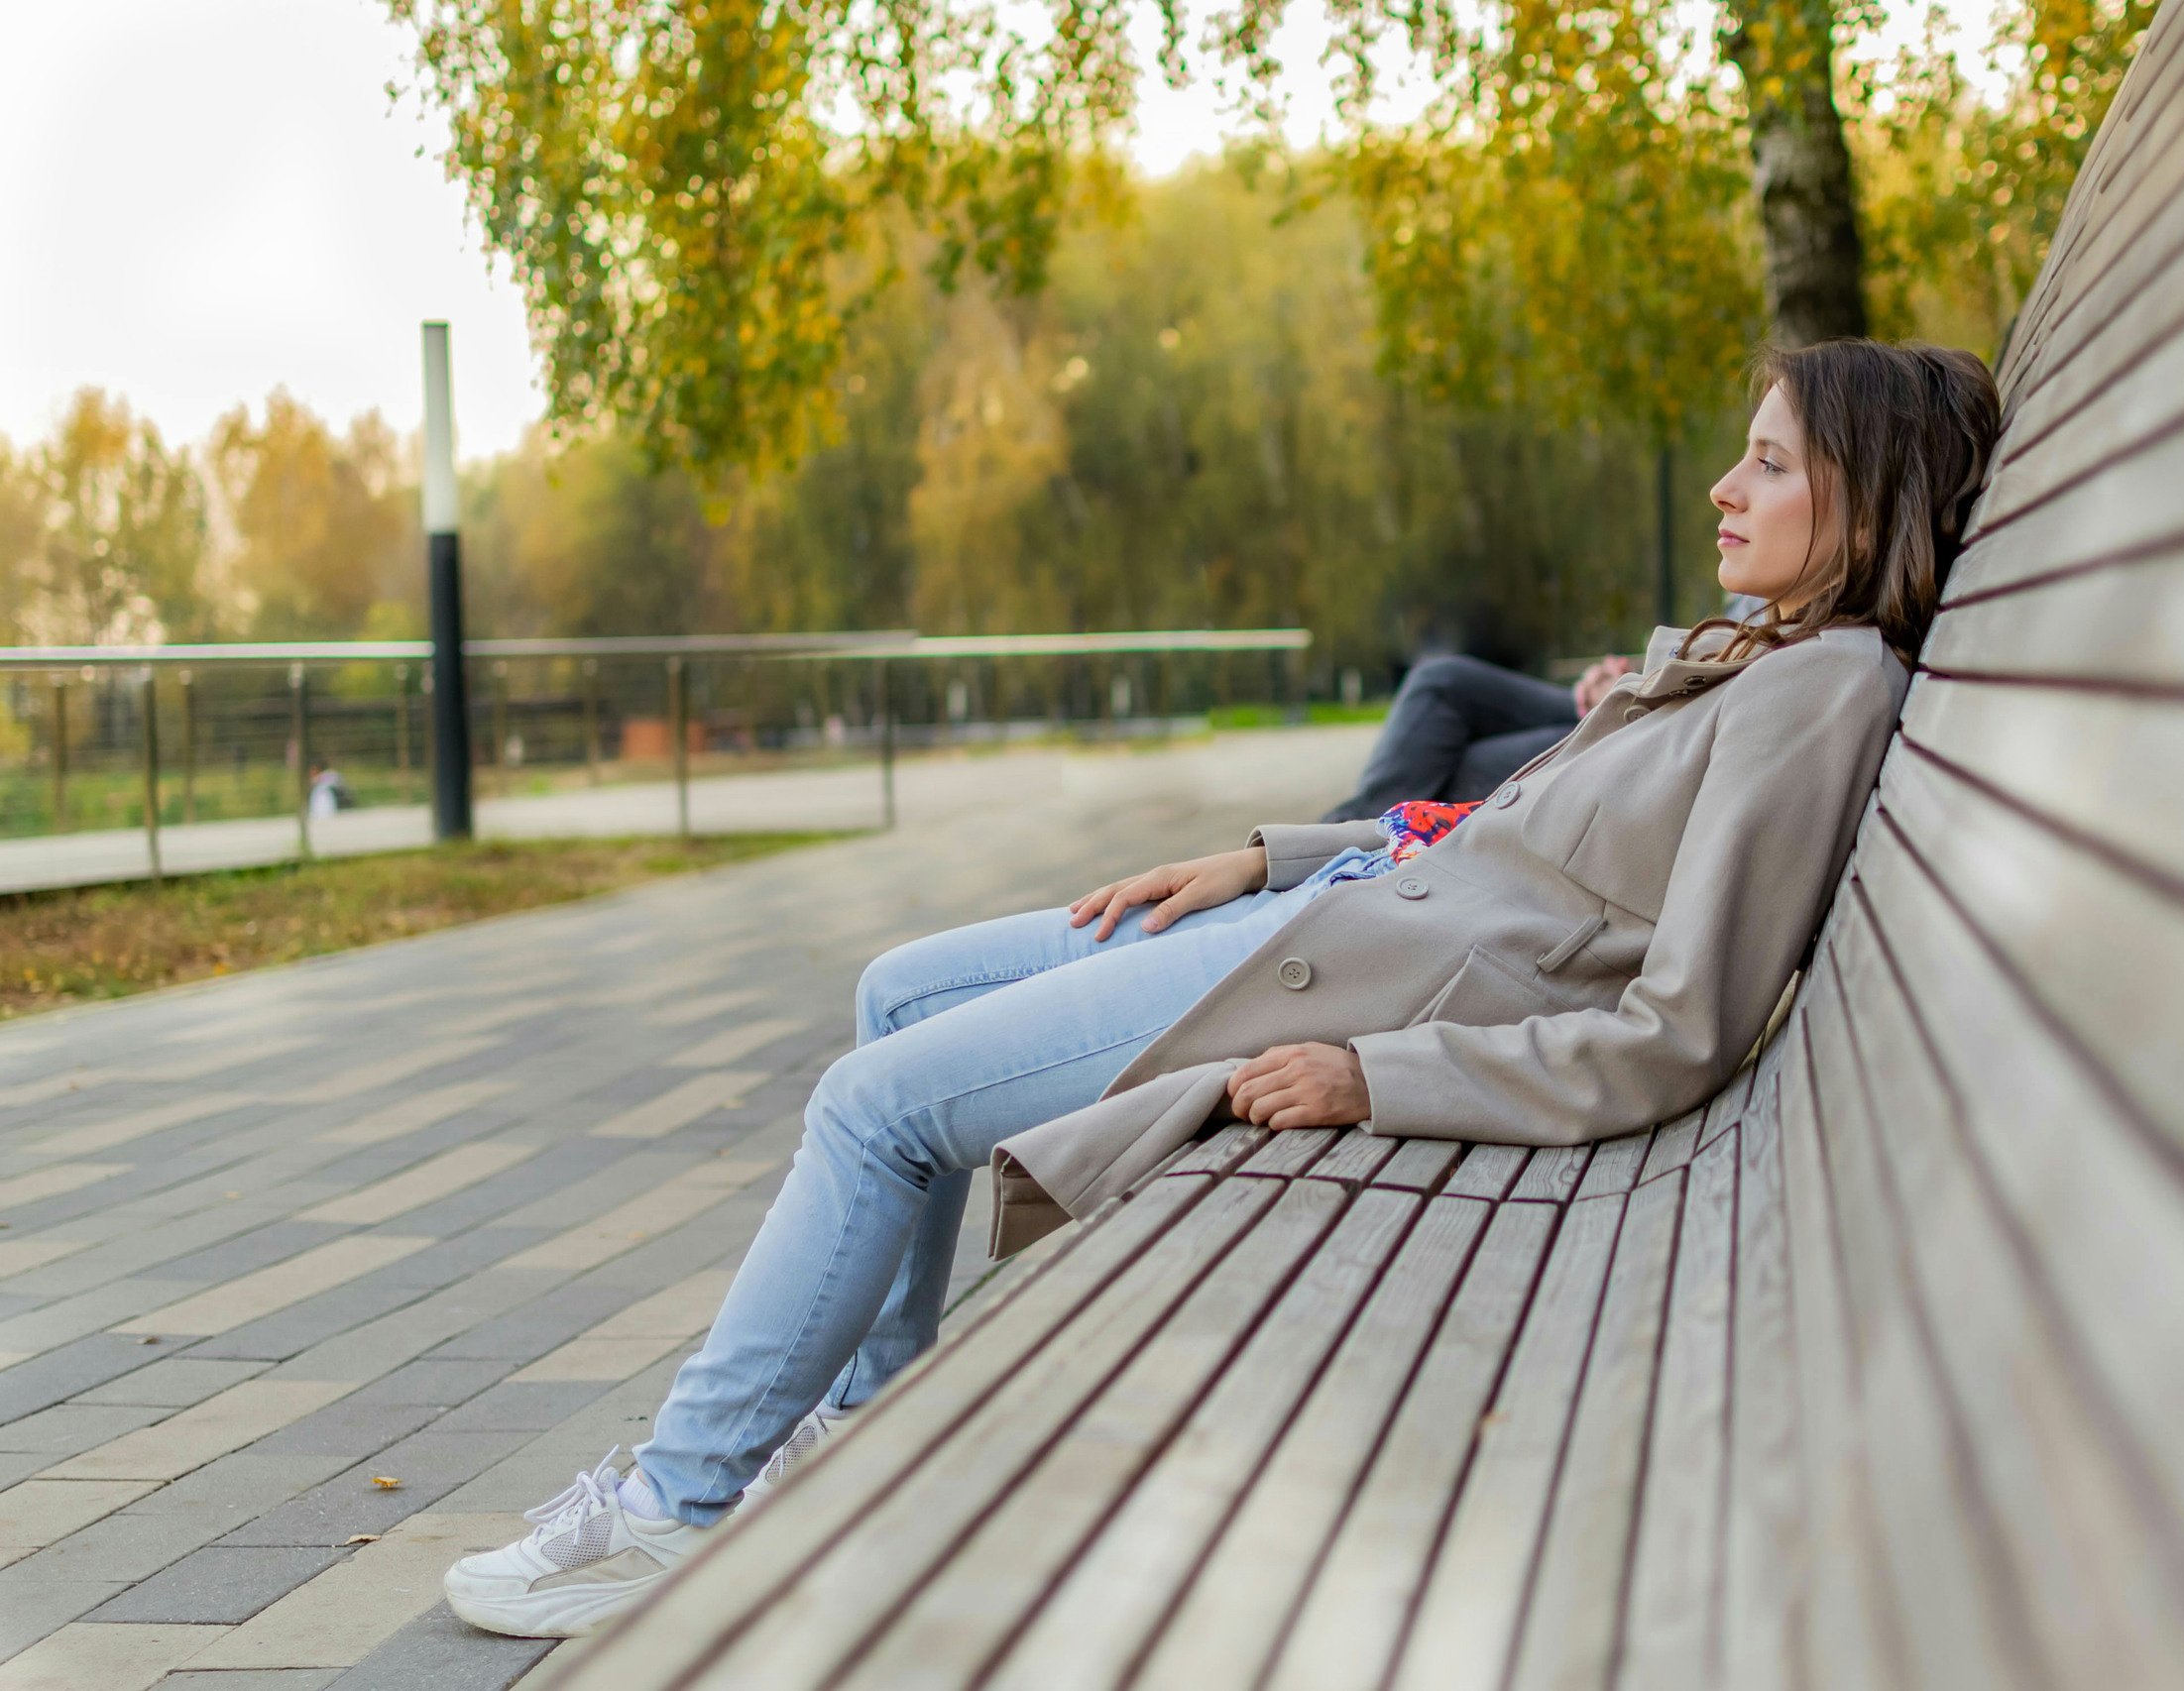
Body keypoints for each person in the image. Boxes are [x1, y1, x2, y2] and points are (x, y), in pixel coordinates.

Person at [442, 338, 2002, 1638]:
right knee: (896, 992)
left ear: (1870, 496)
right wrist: (1266, 854)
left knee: (871, 1108)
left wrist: (1379, 1077)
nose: (1726, 487)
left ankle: (679, 1503)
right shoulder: (1765, 653)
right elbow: (1505, 833)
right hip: (1330, 908)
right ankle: (851, 1428)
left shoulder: (1820, 691)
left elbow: (1682, 1029)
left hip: (1349, 982)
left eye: (1770, 464)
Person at [1318, 598, 1769, 823]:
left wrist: (1638, 689)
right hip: (1646, 696)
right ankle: (1332, 845)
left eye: (1770, 464)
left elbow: (1732, 684)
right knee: (1440, 682)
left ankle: (1329, 848)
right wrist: (1627, 679)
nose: (1722, 491)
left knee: (1452, 762)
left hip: (1657, 721)